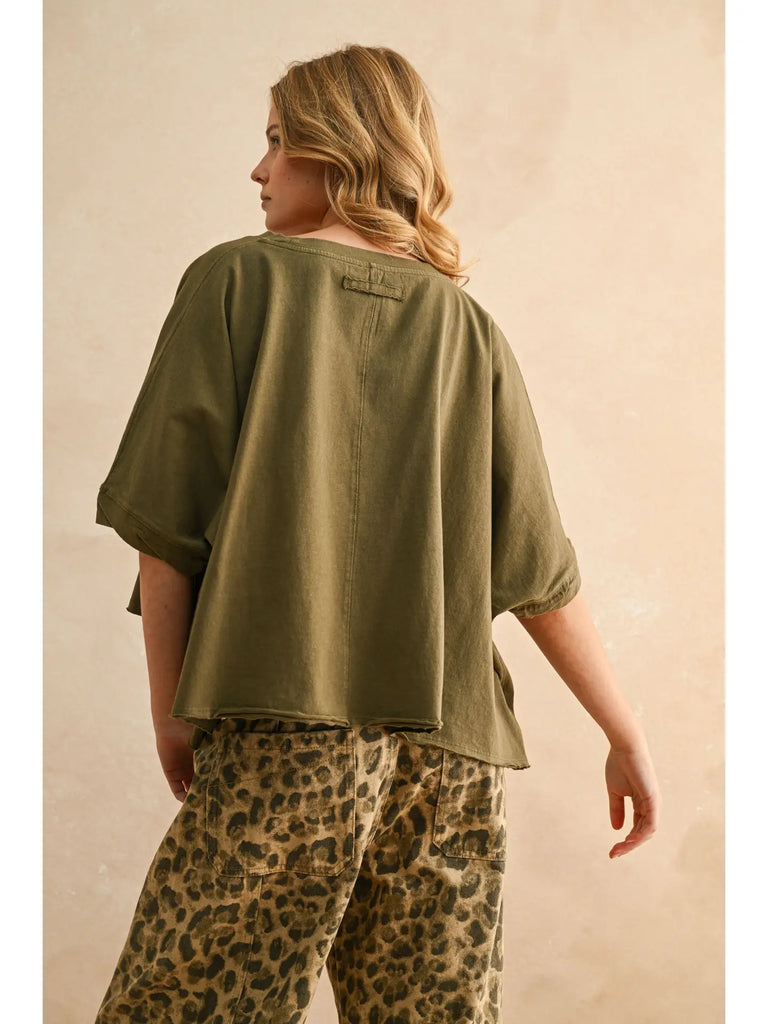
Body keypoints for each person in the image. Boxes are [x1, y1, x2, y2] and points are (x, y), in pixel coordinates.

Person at [92, 43, 660, 1024]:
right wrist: (625, 731)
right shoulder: (467, 329)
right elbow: (540, 573)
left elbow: (165, 527)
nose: (259, 169)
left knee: (189, 1005)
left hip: (285, 736)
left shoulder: (234, 284)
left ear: (337, 147)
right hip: (450, 756)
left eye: (278, 141)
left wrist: (172, 709)